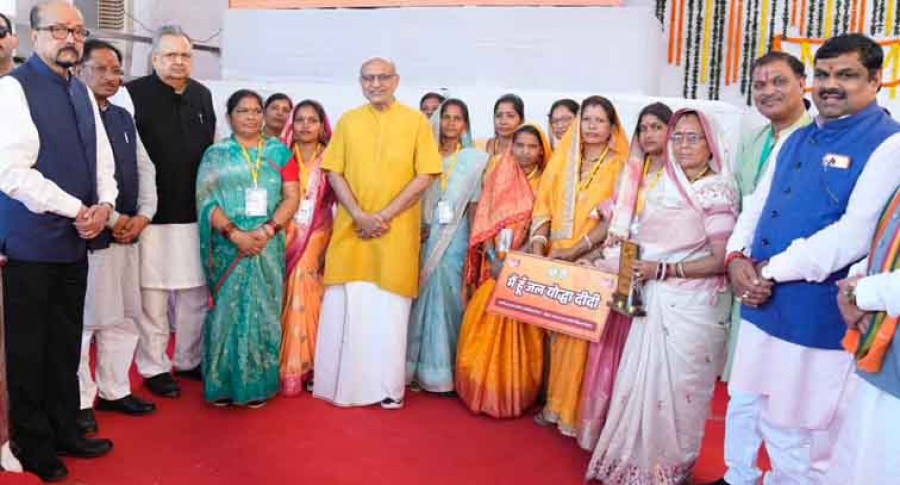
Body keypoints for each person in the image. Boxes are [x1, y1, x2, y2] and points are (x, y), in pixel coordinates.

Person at [720, 34, 900, 485]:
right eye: (823, 74)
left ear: (875, 80)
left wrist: (769, 270)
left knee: (802, 430)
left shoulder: (889, 144)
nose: (830, 85)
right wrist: (736, 257)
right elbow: (756, 204)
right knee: (749, 403)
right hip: (762, 302)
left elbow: (854, 234)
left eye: (847, 75)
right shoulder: (797, 137)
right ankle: (741, 476)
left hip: (815, 312)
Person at [586, 108, 738, 483]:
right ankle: (633, 463)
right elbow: (645, 240)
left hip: (692, 308)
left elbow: (721, 258)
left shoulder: (717, 189)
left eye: (693, 137)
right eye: (678, 137)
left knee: (678, 393)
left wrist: (664, 270)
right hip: (653, 298)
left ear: (711, 144)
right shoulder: (666, 184)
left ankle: (669, 469)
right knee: (641, 384)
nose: (683, 145)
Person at [0, 2, 118, 480]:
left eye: (78, 30)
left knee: (66, 343)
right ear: (34, 35)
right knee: (30, 350)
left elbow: (102, 159)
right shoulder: (12, 89)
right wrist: (78, 210)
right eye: (59, 29)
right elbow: (12, 173)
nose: (71, 38)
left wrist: (105, 205)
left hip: (76, 240)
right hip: (29, 243)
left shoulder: (81, 90)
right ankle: (33, 444)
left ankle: (66, 429)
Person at [313, 58, 442, 410]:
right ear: (360, 83)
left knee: (390, 313)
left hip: (395, 234)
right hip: (352, 232)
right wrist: (358, 214)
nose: (375, 84)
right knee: (350, 304)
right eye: (368, 78)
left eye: (383, 77)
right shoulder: (349, 121)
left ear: (396, 81)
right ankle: (343, 385)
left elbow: (426, 175)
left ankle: (388, 388)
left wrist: (383, 216)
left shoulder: (416, 122)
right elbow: (333, 171)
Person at [115, 24, 217, 399]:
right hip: (149, 215)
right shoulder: (131, 95)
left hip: (194, 212)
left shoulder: (203, 96)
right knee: (152, 299)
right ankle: (154, 366)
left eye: (185, 55)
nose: (179, 61)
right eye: (170, 55)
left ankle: (188, 359)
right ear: (155, 58)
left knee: (194, 294)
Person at [576, 101, 673, 451]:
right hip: (621, 268)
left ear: (672, 131)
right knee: (608, 351)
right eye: (643, 128)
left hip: (656, 274)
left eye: (656, 127)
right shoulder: (634, 172)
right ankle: (604, 431)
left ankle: (635, 438)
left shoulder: (678, 176)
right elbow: (614, 224)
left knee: (642, 359)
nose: (648, 134)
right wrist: (589, 255)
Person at [530, 96, 629, 438]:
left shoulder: (620, 166)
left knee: (582, 337)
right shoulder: (562, 161)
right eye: (587, 119)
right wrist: (539, 247)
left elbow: (617, 218)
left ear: (612, 127)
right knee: (555, 335)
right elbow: (543, 207)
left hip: (593, 259)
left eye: (600, 120)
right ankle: (553, 403)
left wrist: (578, 250)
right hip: (555, 258)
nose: (592, 126)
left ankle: (574, 413)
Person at [74, 39, 157, 437]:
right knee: (84, 324)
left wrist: (144, 215)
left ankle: (115, 389)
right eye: (102, 69)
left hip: (127, 236)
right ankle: (79, 400)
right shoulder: (71, 115)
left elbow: (145, 167)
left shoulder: (122, 116)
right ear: (79, 70)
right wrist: (115, 220)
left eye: (117, 70)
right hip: (89, 238)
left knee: (125, 316)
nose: (112, 77)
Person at [197, 89, 300, 408]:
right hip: (228, 247)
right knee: (225, 313)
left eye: (256, 111)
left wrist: (267, 230)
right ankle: (222, 383)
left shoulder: (279, 152)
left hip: (267, 244)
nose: (251, 117)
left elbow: (292, 196)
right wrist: (234, 234)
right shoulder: (216, 154)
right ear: (230, 117)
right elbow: (205, 200)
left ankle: (257, 384)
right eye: (243, 111)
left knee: (263, 311)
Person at [722, 52, 812, 382]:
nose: (768, 91)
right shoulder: (755, 139)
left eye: (779, 81)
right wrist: (735, 260)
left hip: (790, 278)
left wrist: (770, 269)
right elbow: (741, 206)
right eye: (759, 85)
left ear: (802, 84)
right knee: (742, 385)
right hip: (742, 272)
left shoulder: (815, 139)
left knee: (783, 386)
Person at [455, 123, 551, 418]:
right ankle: (480, 387)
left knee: (523, 332)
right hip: (494, 263)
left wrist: (518, 261)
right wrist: (494, 259)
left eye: (532, 146)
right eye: (519, 145)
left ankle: (513, 392)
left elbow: (546, 224)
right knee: (483, 325)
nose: (525, 152)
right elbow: (484, 219)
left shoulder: (546, 181)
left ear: (541, 151)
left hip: (527, 265)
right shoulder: (499, 175)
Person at [406, 99, 488, 394]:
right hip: (424, 234)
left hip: (456, 236)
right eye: (446, 117)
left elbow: (474, 204)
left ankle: (444, 372)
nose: (451, 123)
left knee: (451, 297)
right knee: (421, 296)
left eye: (457, 118)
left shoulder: (473, 160)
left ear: (465, 124)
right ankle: (416, 368)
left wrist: (475, 242)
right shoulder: (422, 155)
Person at [824, 188, 900, 484]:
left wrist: (860, 293)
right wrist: (854, 284)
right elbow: (886, 240)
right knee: (861, 457)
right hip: (883, 359)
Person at [279, 99, 335, 397]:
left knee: (304, 283)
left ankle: (303, 364)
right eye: (299, 119)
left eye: (312, 120)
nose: (305, 125)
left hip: (318, 231)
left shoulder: (332, 157)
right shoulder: (281, 154)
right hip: (283, 232)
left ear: (321, 125)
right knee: (285, 289)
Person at [476, 94, 525, 160]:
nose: (503, 121)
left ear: (521, 120)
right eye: (498, 115)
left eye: (510, 116)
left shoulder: (526, 152)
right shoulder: (480, 148)